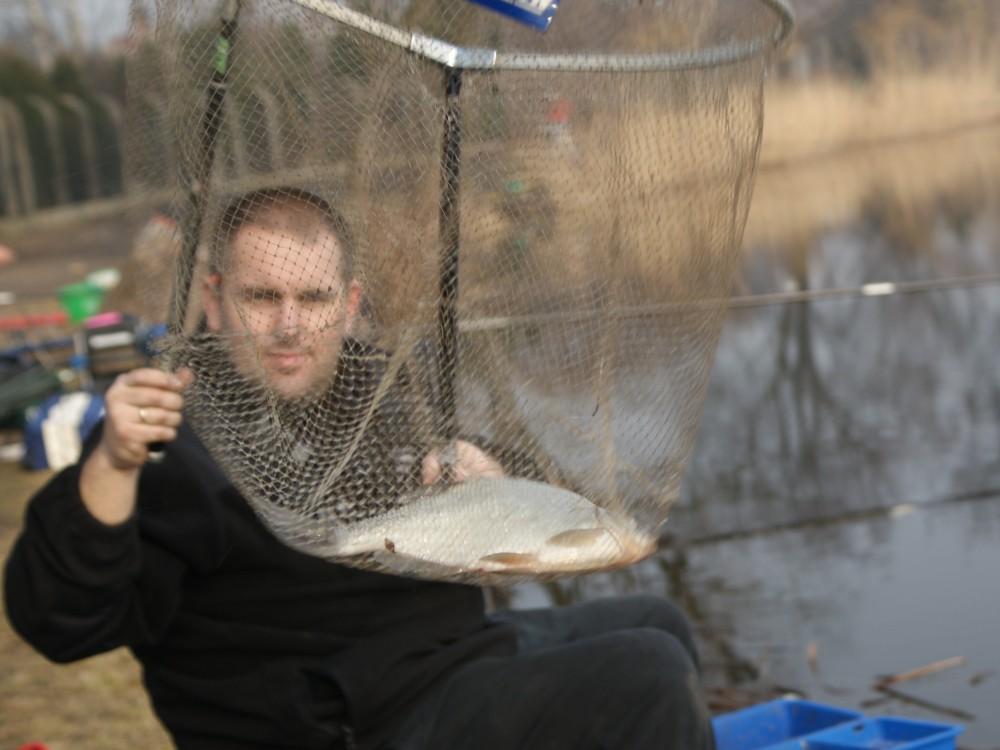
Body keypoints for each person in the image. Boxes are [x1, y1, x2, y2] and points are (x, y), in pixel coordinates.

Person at [4, 188, 716, 750]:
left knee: (657, 620)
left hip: (447, 660)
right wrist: (113, 461)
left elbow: (501, 475)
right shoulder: (171, 432)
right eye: (263, 297)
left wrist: (484, 470)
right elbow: (61, 625)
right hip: (343, 726)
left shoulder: (377, 385)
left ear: (348, 306)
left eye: (313, 299)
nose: (289, 326)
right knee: (645, 676)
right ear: (215, 300)